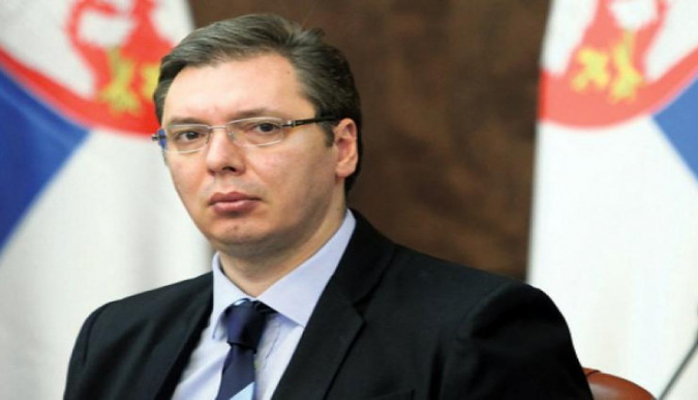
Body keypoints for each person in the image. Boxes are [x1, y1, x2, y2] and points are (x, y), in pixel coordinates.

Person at [64, 13, 592, 400]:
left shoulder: (476, 327)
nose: (219, 159)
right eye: (189, 135)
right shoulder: (115, 336)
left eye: (262, 128)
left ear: (341, 147)